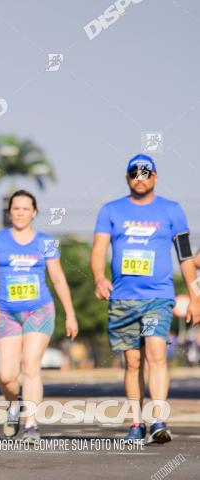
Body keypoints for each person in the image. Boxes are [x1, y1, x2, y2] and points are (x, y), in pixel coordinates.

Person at [91, 154, 200, 444]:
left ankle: (159, 421)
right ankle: (136, 423)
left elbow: (186, 256)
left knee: (155, 355)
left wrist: (195, 295)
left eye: (146, 173)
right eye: (134, 174)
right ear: (127, 178)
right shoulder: (111, 211)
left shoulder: (172, 211)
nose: (140, 178)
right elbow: (99, 248)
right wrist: (99, 277)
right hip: (123, 299)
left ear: (155, 177)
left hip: (158, 298)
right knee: (133, 361)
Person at [0, 190, 78, 442]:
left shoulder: (45, 241)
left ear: (34, 212)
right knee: (7, 376)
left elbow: (57, 278)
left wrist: (70, 314)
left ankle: (31, 425)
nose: (20, 213)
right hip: (6, 312)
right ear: (9, 211)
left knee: (31, 365)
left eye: (26, 208)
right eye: (16, 208)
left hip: (39, 309)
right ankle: (13, 405)